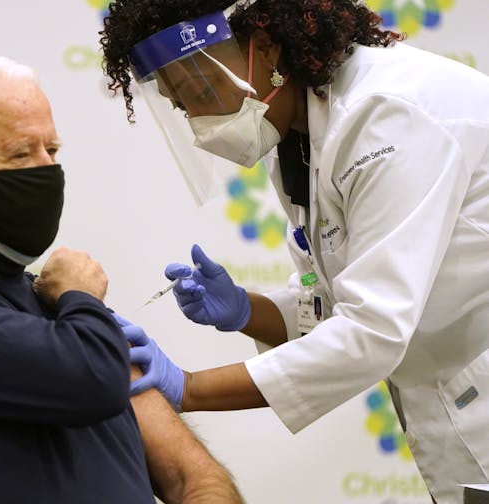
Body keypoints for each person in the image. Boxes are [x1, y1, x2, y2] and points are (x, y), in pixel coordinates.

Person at [99, 0, 489, 502]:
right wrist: (246, 311)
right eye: (181, 105)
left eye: (199, 91)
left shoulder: (385, 115)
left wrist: (189, 387)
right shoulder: (299, 140)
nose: (197, 122)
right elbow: (330, 304)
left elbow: (371, 330)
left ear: (265, 49)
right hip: (451, 409)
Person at [0, 55, 243, 503]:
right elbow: (91, 379)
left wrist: (80, 305)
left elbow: (195, 477)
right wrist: (81, 297)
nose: (47, 171)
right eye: (19, 153)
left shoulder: (68, 311)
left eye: (51, 151)